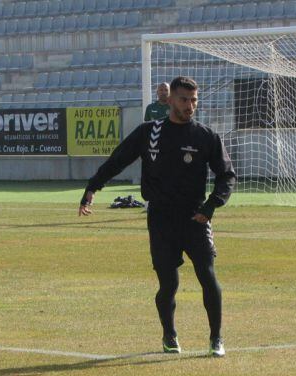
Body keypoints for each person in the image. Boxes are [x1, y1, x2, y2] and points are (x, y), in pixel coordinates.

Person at [79, 76, 236, 357]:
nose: (189, 106)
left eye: (194, 100)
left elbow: (227, 175)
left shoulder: (205, 136)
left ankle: (216, 338)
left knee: (208, 275)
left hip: (195, 218)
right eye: (184, 100)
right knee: (168, 284)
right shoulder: (149, 132)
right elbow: (118, 159)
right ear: (171, 100)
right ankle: (169, 335)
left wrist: (211, 205)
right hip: (161, 219)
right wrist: (93, 186)